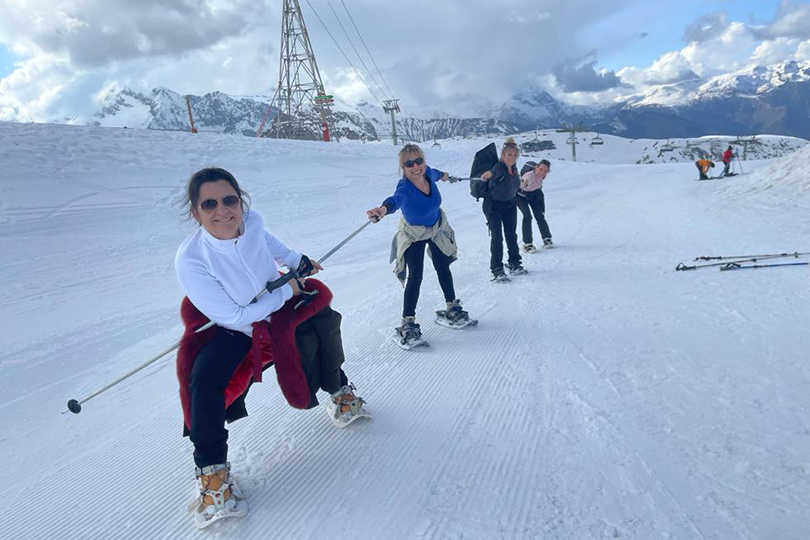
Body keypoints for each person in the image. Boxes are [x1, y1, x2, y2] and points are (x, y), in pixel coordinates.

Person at [175, 167, 367, 528]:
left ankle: (339, 391)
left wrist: (297, 262)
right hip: (237, 328)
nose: (222, 210)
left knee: (322, 325)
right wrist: (285, 292)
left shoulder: (252, 222)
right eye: (209, 204)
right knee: (204, 378)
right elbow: (233, 315)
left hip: (276, 308)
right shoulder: (191, 258)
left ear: (241, 202)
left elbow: (271, 245)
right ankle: (212, 473)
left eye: (230, 200)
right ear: (195, 212)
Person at [366, 144, 473, 349]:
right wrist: (382, 210)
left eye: (418, 161)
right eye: (409, 164)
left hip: (436, 228)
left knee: (443, 266)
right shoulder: (405, 188)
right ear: (403, 168)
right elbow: (394, 201)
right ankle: (408, 323)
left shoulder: (428, 173)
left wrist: (448, 177)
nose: (415, 167)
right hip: (414, 234)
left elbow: (438, 173)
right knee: (416, 276)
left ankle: (452, 307)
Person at [480, 137, 525, 281]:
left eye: (514, 155)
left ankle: (514, 263)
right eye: (509, 154)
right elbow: (493, 173)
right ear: (503, 155)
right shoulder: (499, 167)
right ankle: (497, 269)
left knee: (511, 235)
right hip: (494, 206)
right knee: (497, 237)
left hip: (510, 204)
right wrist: (489, 174)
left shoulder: (514, 168)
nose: (512, 157)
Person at [516, 159, 553, 252]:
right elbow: (523, 183)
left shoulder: (542, 177)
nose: (542, 172)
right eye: (541, 169)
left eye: (545, 171)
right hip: (520, 196)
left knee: (540, 216)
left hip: (532, 195)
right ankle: (527, 244)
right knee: (527, 216)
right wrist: (524, 183)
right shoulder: (529, 176)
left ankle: (547, 239)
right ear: (536, 167)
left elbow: (538, 188)